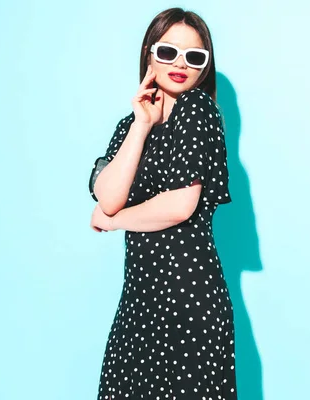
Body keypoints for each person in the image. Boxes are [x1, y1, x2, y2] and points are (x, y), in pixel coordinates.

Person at [87, 7, 237, 400]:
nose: (180, 64)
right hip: (139, 301)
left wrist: (113, 221)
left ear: (206, 66)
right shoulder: (128, 126)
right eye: (168, 52)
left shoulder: (199, 109)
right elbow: (109, 195)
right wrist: (141, 123)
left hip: (188, 298)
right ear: (149, 54)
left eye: (195, 56)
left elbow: (180, 205)